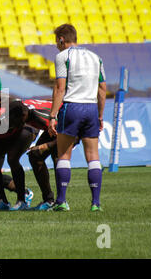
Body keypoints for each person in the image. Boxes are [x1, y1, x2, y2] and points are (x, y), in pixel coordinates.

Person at [48, 24, 107, 212]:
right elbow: (103, 89)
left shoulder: (62, 56)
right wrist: (100, 115)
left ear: (61, 40)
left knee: (64, 155)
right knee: (93, 156)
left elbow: (60, 88)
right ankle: (96, 203)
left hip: (71, 107)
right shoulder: (96, 57)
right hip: (90, 108)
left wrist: (52, 116)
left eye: (56, 41)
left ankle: (62, 201)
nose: (56, 45)